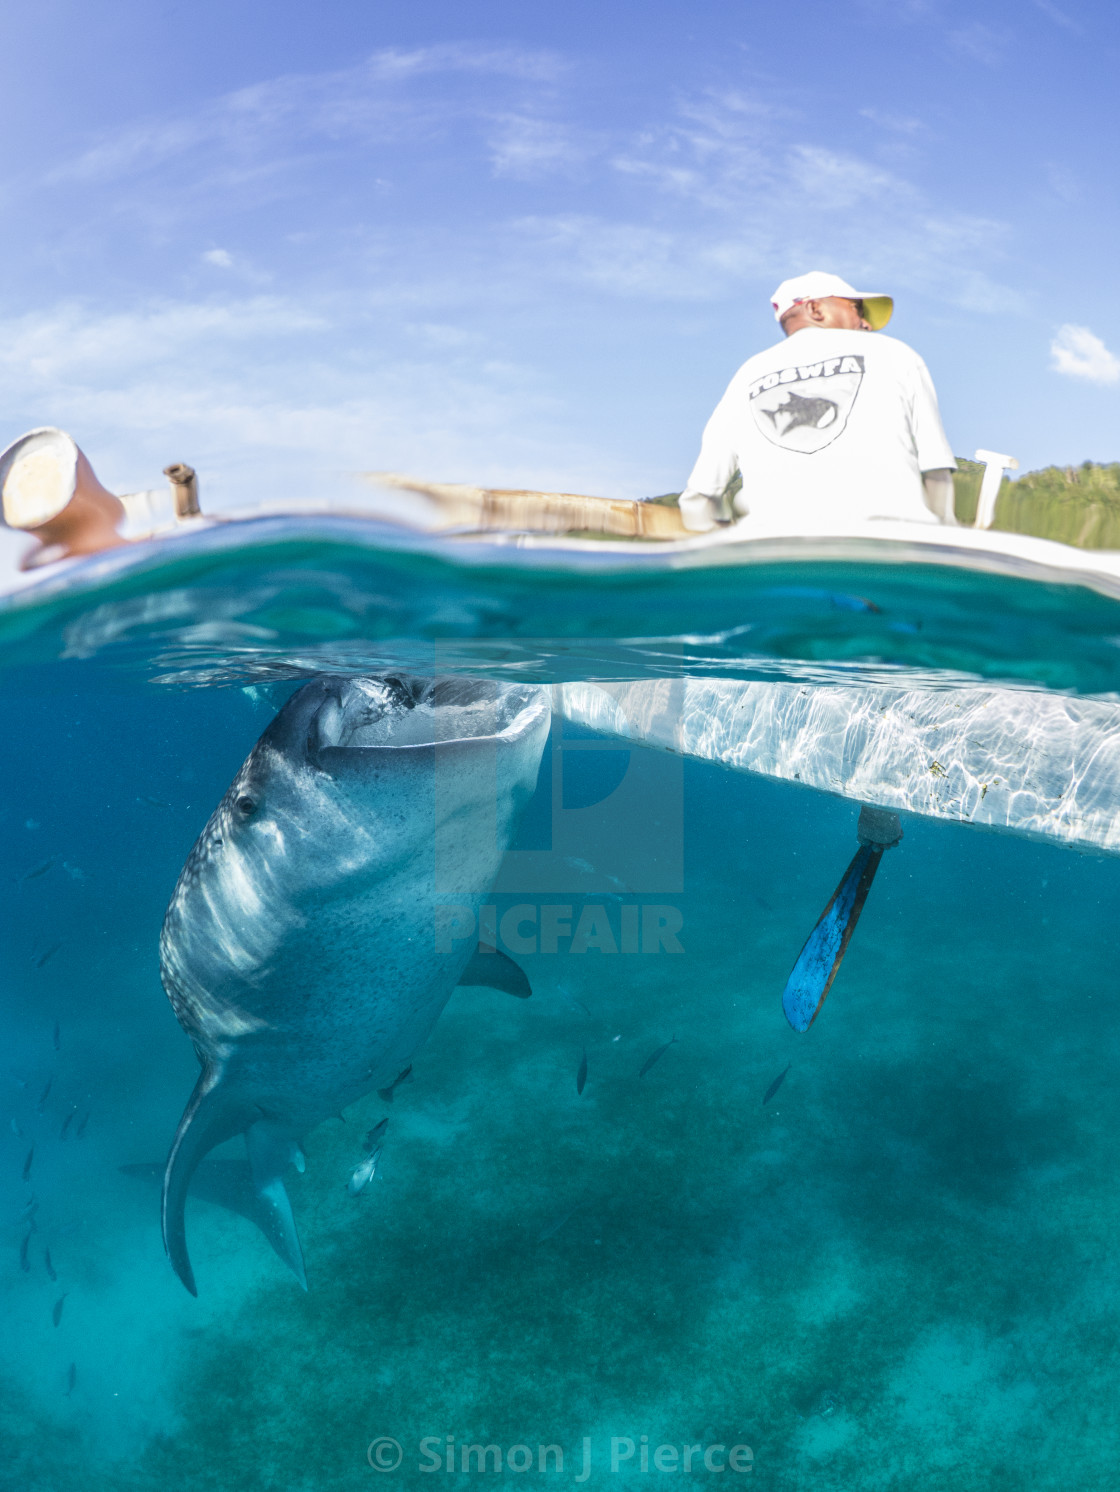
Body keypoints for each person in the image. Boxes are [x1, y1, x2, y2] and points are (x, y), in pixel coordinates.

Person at [678, 271, 957, 533]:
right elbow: (936, 468)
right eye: (857, 310)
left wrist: (718, 534)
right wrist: (944, 533)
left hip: (775, 550)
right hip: (892, 546)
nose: (867, 324)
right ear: (815, 309)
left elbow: (699, 497)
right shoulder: (896, 354)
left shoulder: (749, 373)